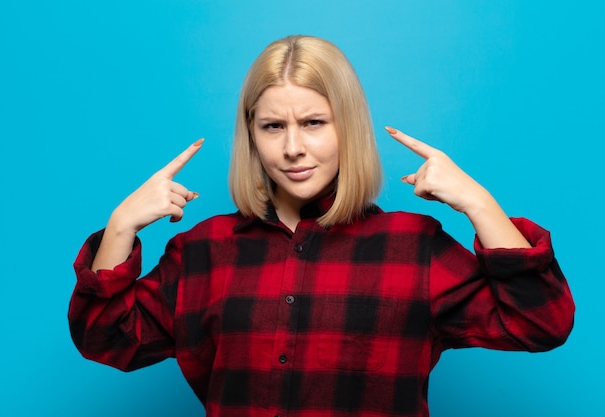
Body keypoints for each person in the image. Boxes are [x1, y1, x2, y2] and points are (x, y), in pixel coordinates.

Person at [69, 35, 574, 417]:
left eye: (313, 122)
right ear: (252, 135)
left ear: (347, 127)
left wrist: (481, 205)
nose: (292, 147)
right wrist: (120, 227)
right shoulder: (203, 250)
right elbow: (105, 340)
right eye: (273, 126)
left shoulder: (414, 247)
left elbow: (540, 323)